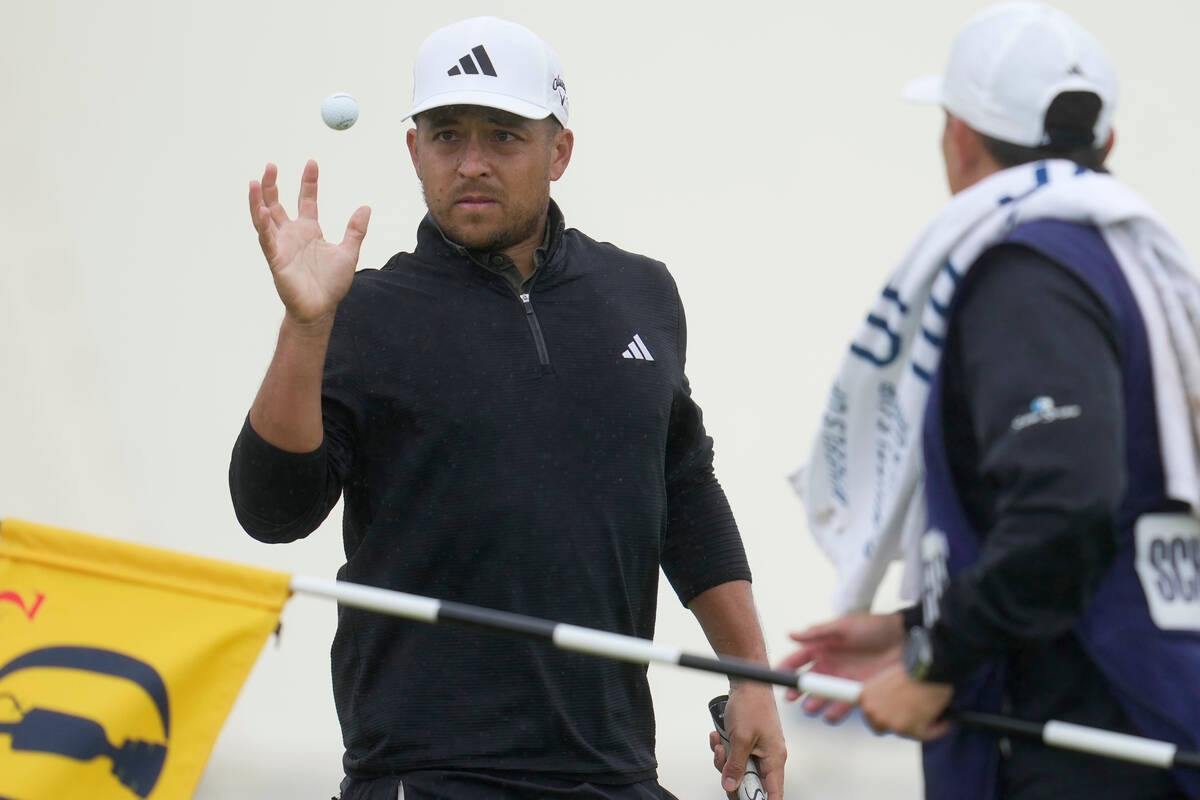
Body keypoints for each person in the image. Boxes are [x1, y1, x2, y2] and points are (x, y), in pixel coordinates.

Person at [228, 16, 785, 800]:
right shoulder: (364, 311)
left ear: (559, 150)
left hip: (615, 772)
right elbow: (271, 509)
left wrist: (750, 674)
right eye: (447, 135)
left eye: (504, 136)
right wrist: (307, 324)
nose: (473, 163)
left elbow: (685, 492)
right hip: (425, 775)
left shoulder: (641, 294)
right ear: (415, 151)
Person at [772, 3, 1200, 799]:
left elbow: (1065, 507)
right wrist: (913, 629)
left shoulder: (1029, 272)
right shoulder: (1131, 263)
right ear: (1104, 143)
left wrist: (938, 661)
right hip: (1149, 714)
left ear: (959, 136)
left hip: (1085, 740)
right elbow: (1118, 523)